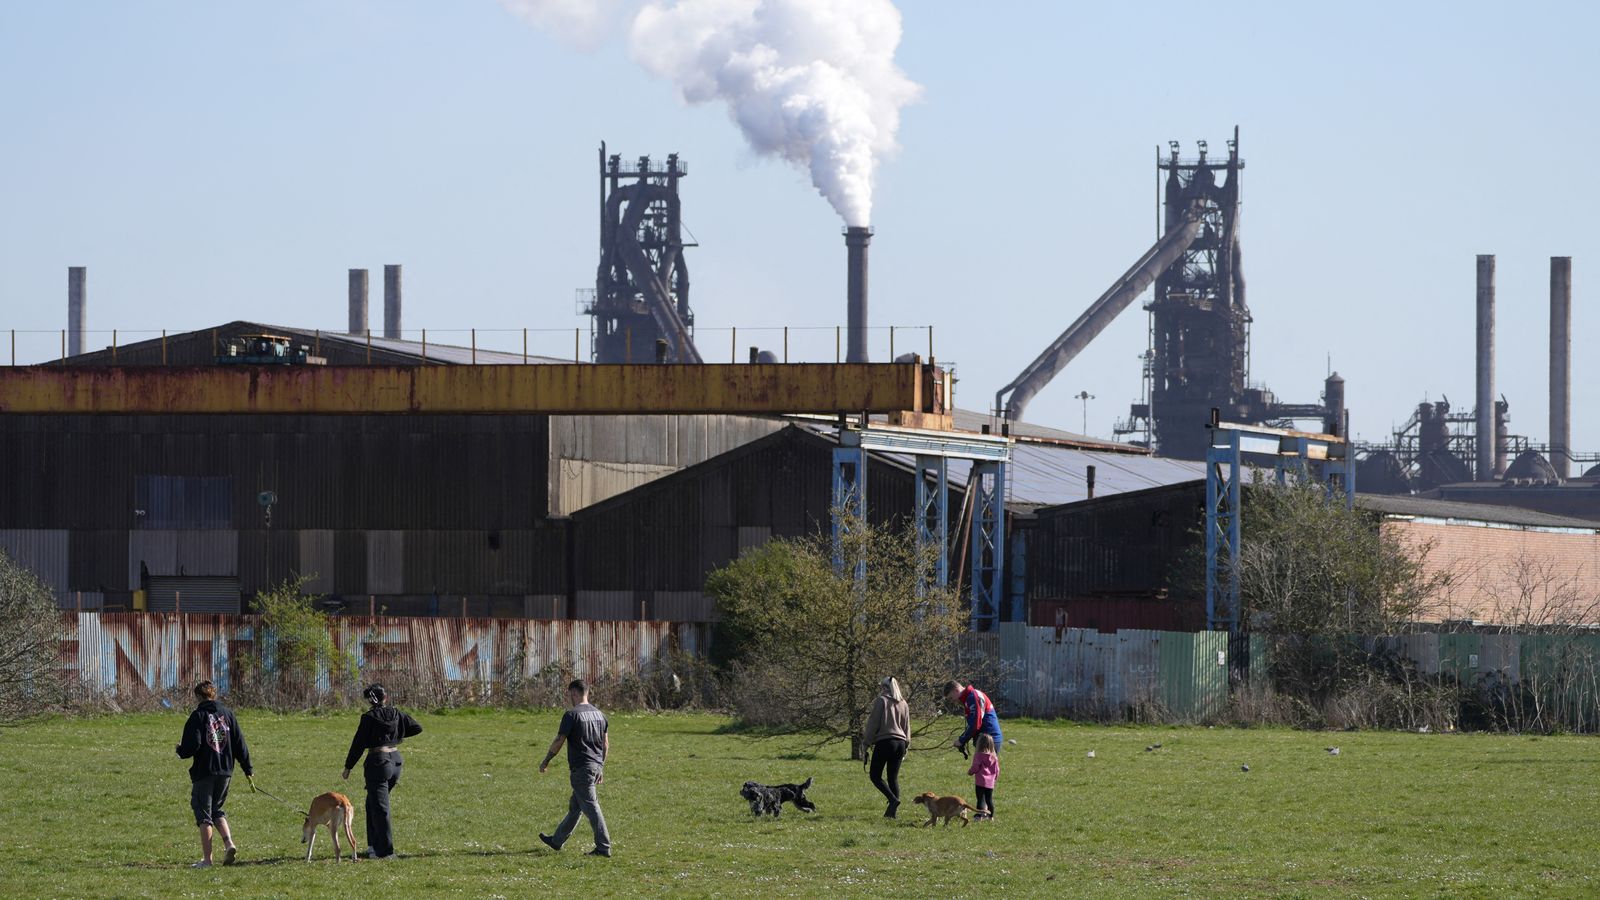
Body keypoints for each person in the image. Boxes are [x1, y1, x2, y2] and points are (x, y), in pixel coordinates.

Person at [175, 680, 252, 868]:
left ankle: (207, 860)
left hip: (205, 771)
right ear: (214, 695)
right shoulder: (228, 714)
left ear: (198, 697)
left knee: (203, 814)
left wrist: (181, 751)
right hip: (225, 771)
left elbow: (193, 744)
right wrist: (247, 768)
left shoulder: (198, 716)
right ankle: (229, 844)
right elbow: (240, 743)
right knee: (216, 809)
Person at [342, 683, 422, 860]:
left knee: (380, 808)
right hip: (395, 761)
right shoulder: (396, 713)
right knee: (372, 803)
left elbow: (358, 744)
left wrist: (348, 767)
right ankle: (373, 846)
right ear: (385, 697)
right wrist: (395, 735)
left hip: (378, 762)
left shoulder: (368, 717)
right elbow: (417, 727)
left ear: (369, 701)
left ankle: (385, 852)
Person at [538, 679, 612, 857]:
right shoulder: (600, 715)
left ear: (574, 693)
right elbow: (605, 744)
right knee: (576, 807)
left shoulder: (571, 715)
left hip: (581, 768)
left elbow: (559, 740)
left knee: (591, 807)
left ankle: (603, 847)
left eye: (569, 694)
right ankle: (557, 840)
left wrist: (546, 760)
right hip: (595, 766)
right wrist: (600, 766)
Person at [863, 676, 910, 818]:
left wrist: (866, 742)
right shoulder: (903, 703)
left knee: (875, 776)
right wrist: (906, 745)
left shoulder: (881, 701)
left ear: (884, 687)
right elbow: (907, 726)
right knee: (892, 778)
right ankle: (892, 814)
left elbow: (873, 723)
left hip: (885, 742)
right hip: (900, 743)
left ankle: (893, 800)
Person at [943, 679, 1003, 756]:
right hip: (985, 740)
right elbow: (973, 723)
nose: (953, 701)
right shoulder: (969, 698)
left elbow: (975, 723)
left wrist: (962, 740)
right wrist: (963, 739)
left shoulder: (973, 697)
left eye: (951, 698)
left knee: (983, 764)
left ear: (956, 690)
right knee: (981, 764)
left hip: (988, 740)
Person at [967, 733, 999, 820]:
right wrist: (995, 778)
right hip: (990, 782)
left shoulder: (978, 755)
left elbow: (975, 767)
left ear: (979, 744)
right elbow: (997, 770)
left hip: (980, 781)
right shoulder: (994, 757)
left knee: (980, 799)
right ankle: (991, 816)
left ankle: (979, 816)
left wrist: (970, 772)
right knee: (989, 800)